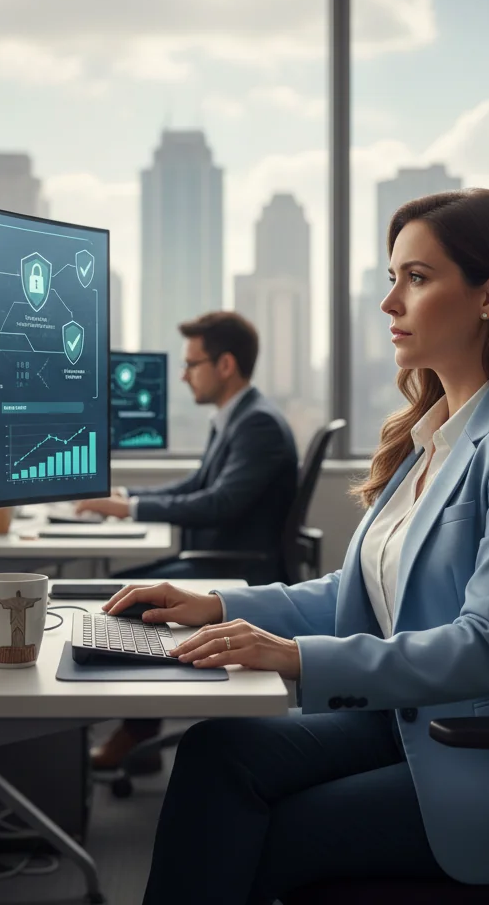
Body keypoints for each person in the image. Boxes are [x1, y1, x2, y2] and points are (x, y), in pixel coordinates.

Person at [103, 189, 489, 904]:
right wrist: (212, 603)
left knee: (271, 833)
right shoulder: (430, 438)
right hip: (406, 723)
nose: (390, 303)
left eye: (416, 279)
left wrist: (293, 657)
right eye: (393, 279)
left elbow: (488, 646)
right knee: (215, 752)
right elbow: (350, 593)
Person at [77, 310, 298, 773]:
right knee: (121, 590)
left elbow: (218, 504)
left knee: (124, 597)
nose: (182, 375)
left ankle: (136, 734)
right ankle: (138, 734)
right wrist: (129, 498)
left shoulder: (257, 425)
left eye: (191, 364)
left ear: (225, 365)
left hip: (239, 568)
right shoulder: (236, 417)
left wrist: (131, 509)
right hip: (213, 557)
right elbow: (196, 483)